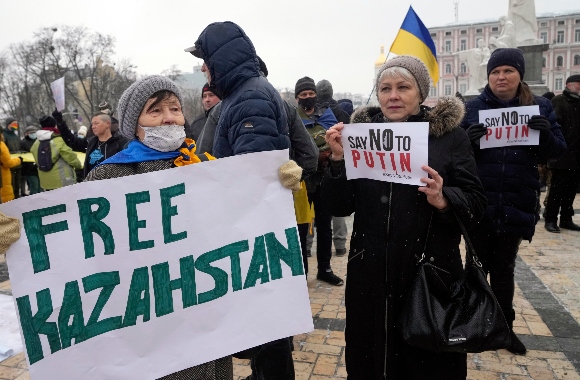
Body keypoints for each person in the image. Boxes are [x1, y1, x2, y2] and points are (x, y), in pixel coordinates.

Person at [322, 55, 486, 379]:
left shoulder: (449, 138)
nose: (392, 95)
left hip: (428, 275)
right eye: (385, 88)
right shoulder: (362, 137)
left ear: (420, 94)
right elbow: (340, 206)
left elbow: (476, 203)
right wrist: (338, 162)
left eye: (402, 87)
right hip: (369, 275)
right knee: (371, 359)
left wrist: (443, 198)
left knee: (425, 364)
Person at [85, 75, 232, 379]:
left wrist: (275, 182)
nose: (169, 117)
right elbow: (74, 231)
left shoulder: (204, 166)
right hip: (149, 319)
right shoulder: (110, 175)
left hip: (205, 305)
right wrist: (18, 234)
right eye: (155, 111)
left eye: (175, 109)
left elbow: (242, 213)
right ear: (133, 124)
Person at [461, 48, 566, 355]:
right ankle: (472, 323)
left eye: (508, 71)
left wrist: (545, 135)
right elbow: (456, 156)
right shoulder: (473, 107)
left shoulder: (539, 106)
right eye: (495, 72)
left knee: (504, 269)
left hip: (517, 201)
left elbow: (557, 151)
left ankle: (504, 328)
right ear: (488, 76)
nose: (501, 77)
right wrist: (469, 141)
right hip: (479, 202)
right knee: (475, 268)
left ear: (519, 75)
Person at [185, 21, 289, 158]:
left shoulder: (250, 99)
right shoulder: (243, 93)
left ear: (219, 60)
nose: (203, 68)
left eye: (205, 60)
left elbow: (252, 168)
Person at [294, 76, 344, 285]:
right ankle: (301, 273)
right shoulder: (293, 118)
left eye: (311, 93)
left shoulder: (327, 115)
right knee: (301, 228)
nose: (308, 97)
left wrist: (327, 154)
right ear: (297, 97)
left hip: (323, 179)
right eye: (303, 94)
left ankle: (325, 268)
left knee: (325, 225)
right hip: (303, 181)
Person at [316, 80, 351, 257]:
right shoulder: (342, 112)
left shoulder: (313, 113)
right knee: (337, 208)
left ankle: (308, 247)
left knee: (323, 212)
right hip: (339, 166)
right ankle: (340, 245)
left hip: (320, 169)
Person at [544, 74, 580, 232]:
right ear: (569, 85)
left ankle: (566, 218)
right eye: (578, 84)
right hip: (561, 156)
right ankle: (550, 219)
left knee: (571, 190)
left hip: (577, 156)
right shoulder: (558, 101)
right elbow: (553, 126)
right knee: (556, 190)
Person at [30, 115, 83, 191]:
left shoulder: (36, 143)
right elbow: (70, 156)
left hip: (45, 181)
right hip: (62, 180)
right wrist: (78, 166)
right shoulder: (58, 140)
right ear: (54, 125)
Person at [0, 128, 22, 203]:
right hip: (2, 177)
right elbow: (8, 163)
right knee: (6, 204)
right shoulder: (1, 145)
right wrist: (19, 160)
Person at [19, 125, 41, 195]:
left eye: (34, 132)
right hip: (29, 169)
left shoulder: (39, 141)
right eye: (31, 132)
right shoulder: (23, 143)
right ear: (27, 133)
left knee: (40, 187)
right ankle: (33, 202)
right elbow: (22, 155)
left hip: (39, 168)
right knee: (34, 186)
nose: (33, 134)